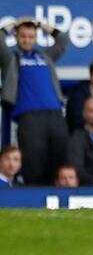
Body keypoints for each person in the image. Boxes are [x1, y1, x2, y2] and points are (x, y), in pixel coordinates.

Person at [0, 17, 71, 185]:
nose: (27, 40)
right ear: (16, 37)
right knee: (34, 164)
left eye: (31, 36)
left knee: (60, 160)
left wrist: (41, 25)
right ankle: (35, 201)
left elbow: (63, 40)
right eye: (23, 36)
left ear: (36, 38)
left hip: (55, 116)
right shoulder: (11, 58)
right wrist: (13, 25)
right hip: (29, 118)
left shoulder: (45, 56)